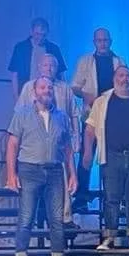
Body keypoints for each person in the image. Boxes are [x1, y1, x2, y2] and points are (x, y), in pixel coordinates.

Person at [5, 76, 78, 256]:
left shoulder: (61, 116)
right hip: (29, 169)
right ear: (35, 91)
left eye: (50, 88)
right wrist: (11, 174)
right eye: (43, 87)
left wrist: (73, 174)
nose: (47, 90)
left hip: (54, 171)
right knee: (26, 215)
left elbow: (67, 148)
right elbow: (12, 145)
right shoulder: (22, 113)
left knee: (56, 217)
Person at [82, 65, 129, 251]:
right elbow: (90, 130)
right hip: (112, 157)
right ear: (115, 79)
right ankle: (109, 237)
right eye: (121, 75)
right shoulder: (103, 101)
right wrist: (87, 153)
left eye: (128, 76)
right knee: (111, 199)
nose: (125, 79)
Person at [17, 52, 80, 229]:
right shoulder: (29, 87)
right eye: (45, 65)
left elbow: (74, 114)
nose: (49, 68)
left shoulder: (65, 88)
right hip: (34, 147)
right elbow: (19, 114)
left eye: (52, 65)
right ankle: (35, 219)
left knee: (64, 180)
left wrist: (76, 137)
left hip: (59, 142)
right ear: (39, 67)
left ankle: (65, 218)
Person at [71, 28, 124, 211]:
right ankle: (81, 197)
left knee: (113, 157)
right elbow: (75, 87)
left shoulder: (118, 61)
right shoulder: (85, 61)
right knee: (86, 155)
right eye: (99, 40)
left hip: (114, 115)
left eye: (105, 40)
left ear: (110, 41)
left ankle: (114, 197)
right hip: (91, 113)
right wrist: (88, 96)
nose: (102, 43)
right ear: (94, 42)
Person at [8, 17, 66, 100]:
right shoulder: (20, 48)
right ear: (31, 32)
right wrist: (17, 98)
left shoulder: (54, 49)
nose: (40, 38)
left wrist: (63, 95)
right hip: (27, 93)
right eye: (37, 34)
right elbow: (15, 75)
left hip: (49, 94)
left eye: (43, 35)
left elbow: (61, 74)